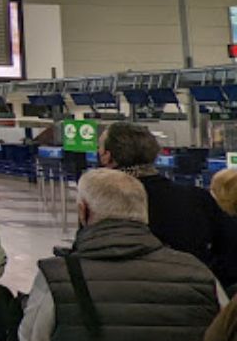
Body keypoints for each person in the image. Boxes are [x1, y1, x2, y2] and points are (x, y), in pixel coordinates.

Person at [18, 168, 225, 341]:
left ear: (83, 211)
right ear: (143, 211)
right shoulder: (197, 271)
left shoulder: (57, 277)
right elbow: (226, 335)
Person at [98, 122, 235, 286]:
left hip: (121, 292)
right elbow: (230, 252)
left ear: (107, 156)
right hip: (191, 293)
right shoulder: (197, 198)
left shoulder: (101, 203)